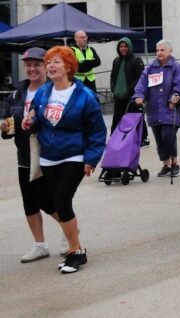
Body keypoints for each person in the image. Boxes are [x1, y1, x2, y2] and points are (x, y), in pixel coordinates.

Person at [22, 46, 107, 273]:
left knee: (62, 201)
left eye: (56, 62)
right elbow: (39, 120)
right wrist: (31, 122)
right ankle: (75, 244)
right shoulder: (44, 92)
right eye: (49, 62)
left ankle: (75, 252)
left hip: (74, 155)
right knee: (47, 201)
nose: (50, 66)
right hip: (48, 157)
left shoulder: (84, 95)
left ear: (68, 67)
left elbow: (98, 131)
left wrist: (91, 159)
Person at [2, 48, 58, 263]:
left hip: (50, 152)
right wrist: (5, 127)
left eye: (37, 64)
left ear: (45, 66)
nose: (32, 69)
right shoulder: (17, 92)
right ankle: (40, 245)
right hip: (25, 153)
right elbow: (7, 117)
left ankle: (69, 229)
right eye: (28, 65)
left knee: (50, 199)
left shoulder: (54, 91)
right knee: (29, 201)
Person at [132, 40, 180, 177]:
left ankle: (175, 163)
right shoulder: (150, 68)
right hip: (154, 110)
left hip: (170, 109)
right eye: (157, 50)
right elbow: (141, 84)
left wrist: (175, 97)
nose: (159, 53)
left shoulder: (175, 67)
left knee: (168, 136)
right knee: (159, 138)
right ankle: (165, 164)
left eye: (162, 50)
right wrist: (139, 96)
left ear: (170, 51)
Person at [109, 37, 147, 145]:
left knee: (136, 117)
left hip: (132, 96)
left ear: (129, 47)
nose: (123, 48)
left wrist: (129, 90)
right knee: (117, 118)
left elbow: (139, 78)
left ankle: (142, 138)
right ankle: (114, 138)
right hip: (118, 96)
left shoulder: (136, 60)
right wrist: (113, 88)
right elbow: (113, 76)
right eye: (121, 46)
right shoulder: (116, 61)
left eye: (125, 46)